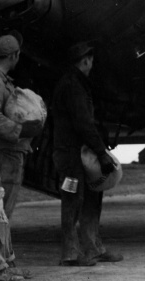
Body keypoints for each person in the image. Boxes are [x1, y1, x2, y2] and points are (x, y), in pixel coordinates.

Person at [0, 33, 41, 281]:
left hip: (8, 153)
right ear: (13, 56)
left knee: (4, 212)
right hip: (0, 155)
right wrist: (19, 130)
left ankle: (6, 261)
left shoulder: (0, 80)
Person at [51, 41, 123, 266]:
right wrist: (102, 154)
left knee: (91, 197)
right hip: (70, 157)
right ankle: (70, 254)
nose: (92, 64)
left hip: (79, 155)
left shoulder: (77, 84)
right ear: (85, 61)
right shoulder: (73, 85)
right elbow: (83, 123)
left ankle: (93, 248)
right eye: (91, 60)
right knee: (71, 198)